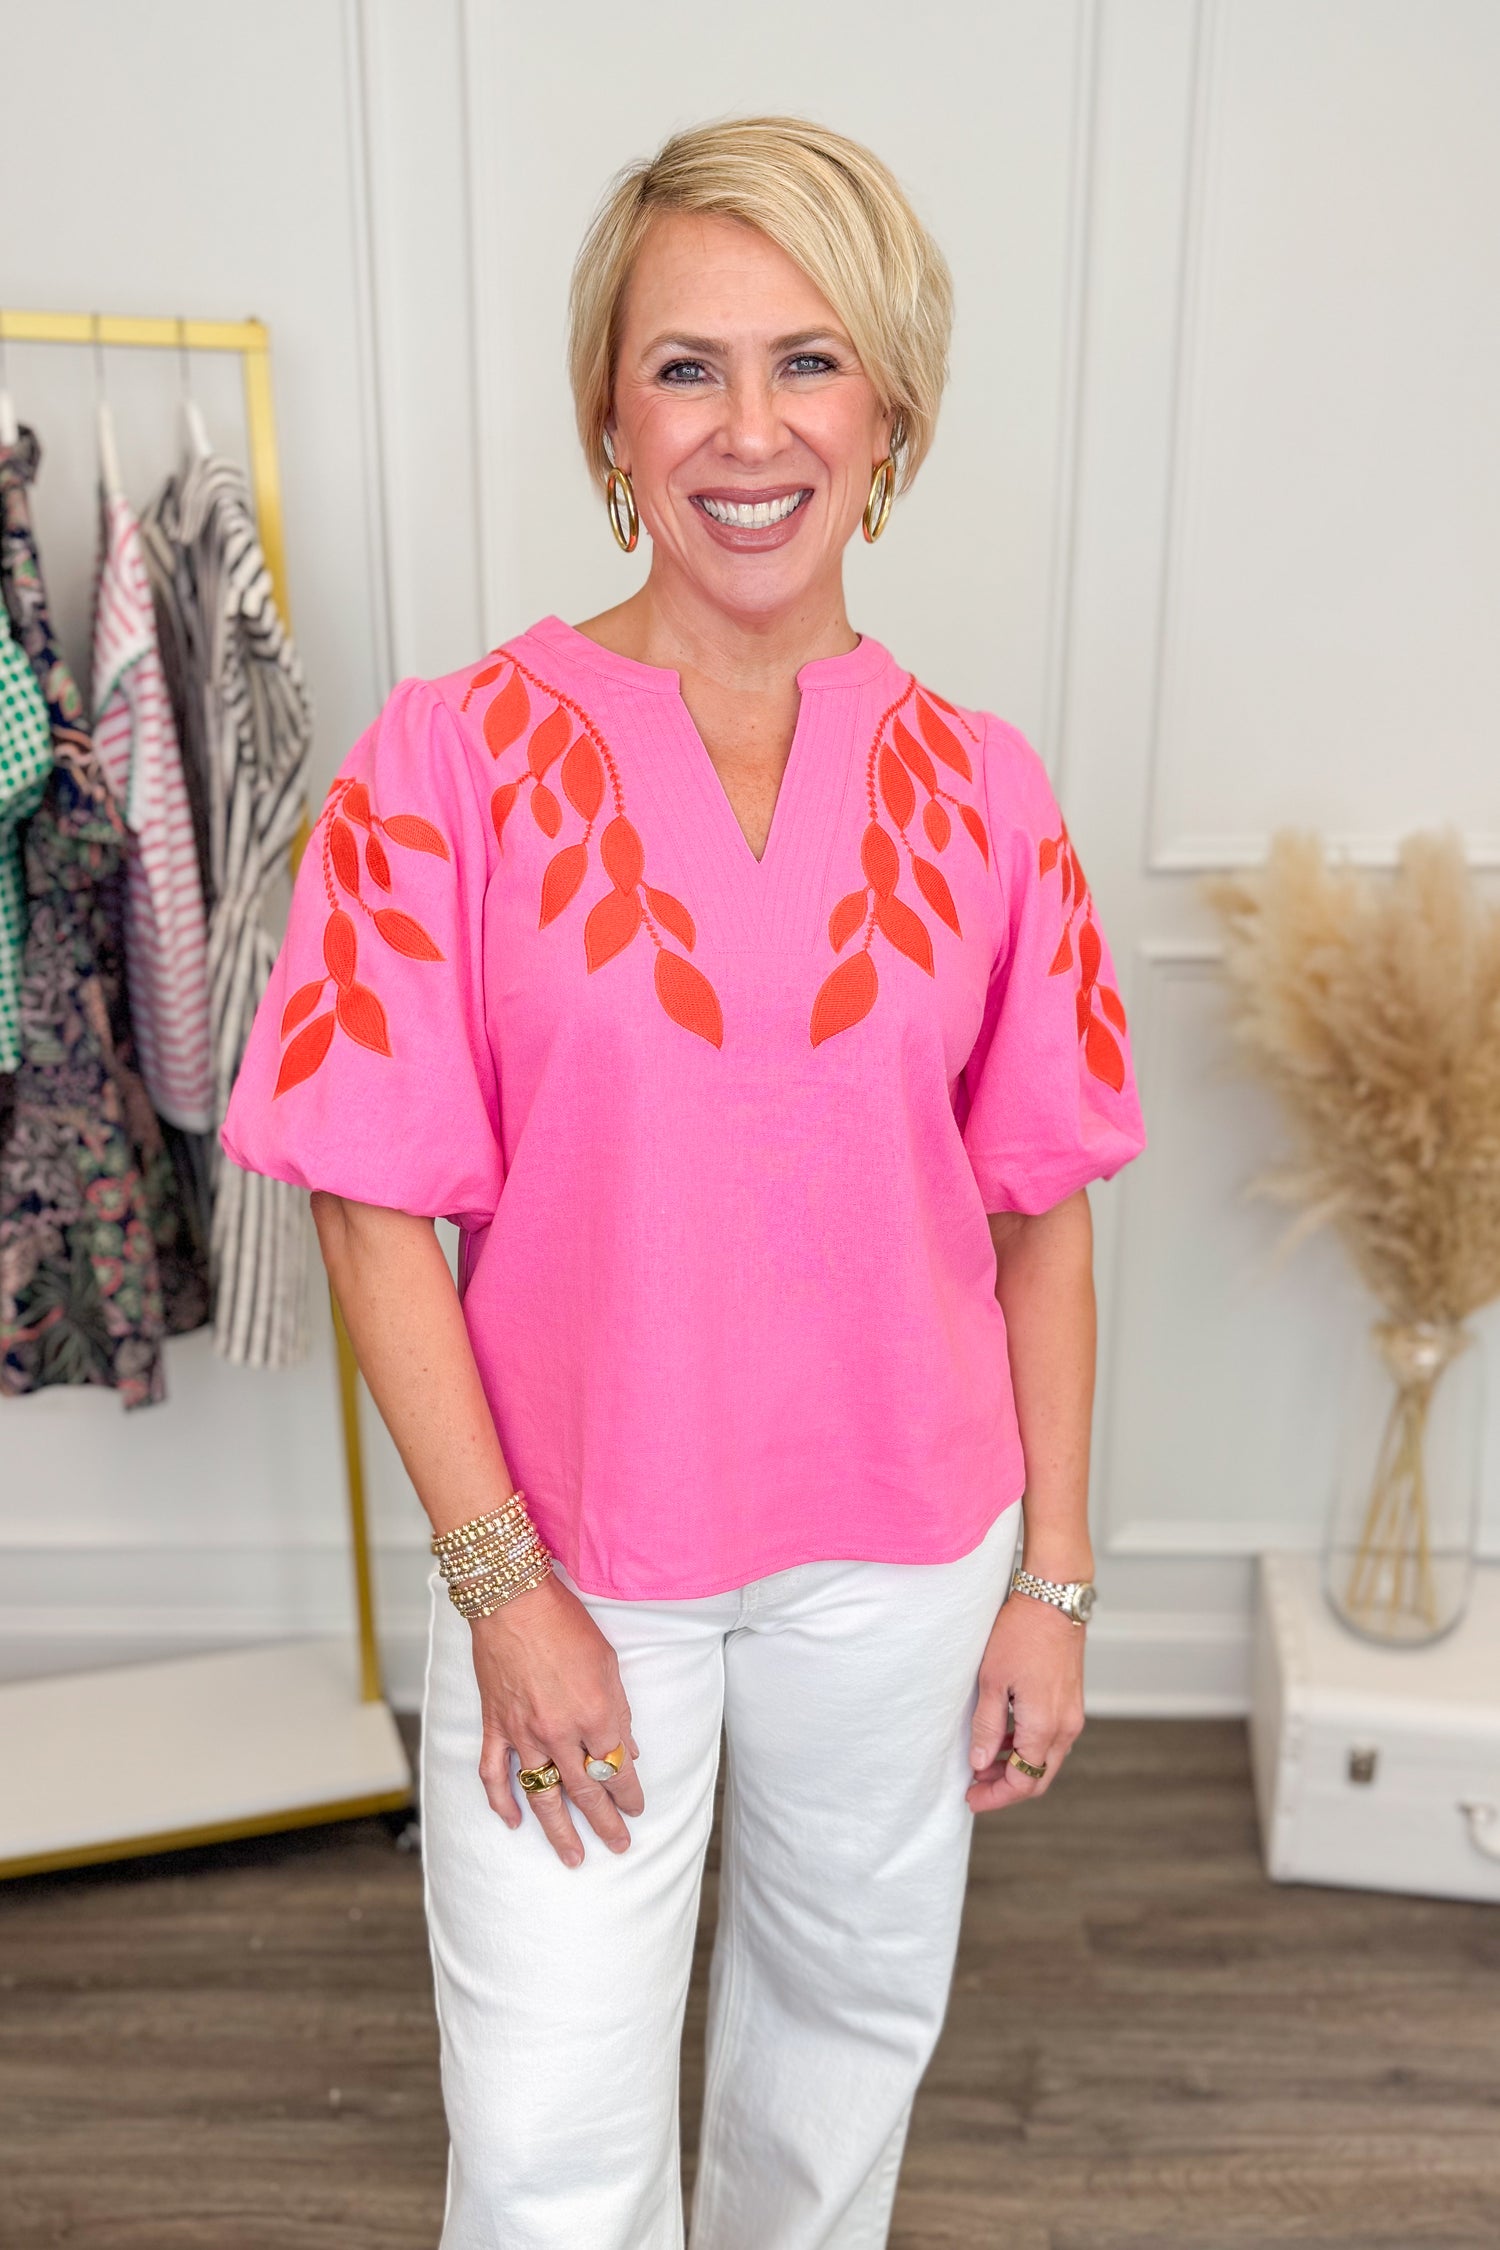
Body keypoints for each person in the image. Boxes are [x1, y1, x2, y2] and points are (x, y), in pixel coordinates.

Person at [221, 113, 1147, 2250]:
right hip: (571, 1553)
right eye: (688, 366)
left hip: (908, 1561)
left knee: (841, 2062)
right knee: (552, 2145)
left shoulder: (987, 790)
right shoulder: (441, 762)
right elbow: (369, 1203)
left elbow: (1044, 1206)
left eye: (809, 362)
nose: (751, 430)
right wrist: (499, 1588)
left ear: (890, 407)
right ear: (606, 414)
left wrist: (1059, 1576)